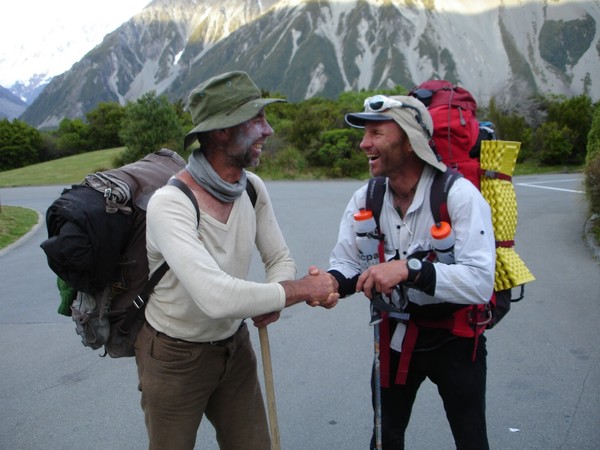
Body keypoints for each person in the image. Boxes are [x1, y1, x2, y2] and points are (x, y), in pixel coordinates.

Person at [135, 70, 339, 450]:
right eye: (257, 120)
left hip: (234, 347)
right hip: (174, 356)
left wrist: (271, 299)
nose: (269, 130)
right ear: (222, 131)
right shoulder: (171, 203)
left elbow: (279, 258)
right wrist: (300, 290)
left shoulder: (251, 188)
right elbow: (217, 299)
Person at [327, 94, 496, 449]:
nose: (364, 143)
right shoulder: (365, 198)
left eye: (376, 133)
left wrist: (408, 269)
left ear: (409, 140)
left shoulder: (461, 196)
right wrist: (327, 282)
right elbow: (348, 262)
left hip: (456, 339)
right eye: (364, 133)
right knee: (384, 437)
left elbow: (480, 283)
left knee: (471, 440)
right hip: (395, 336)